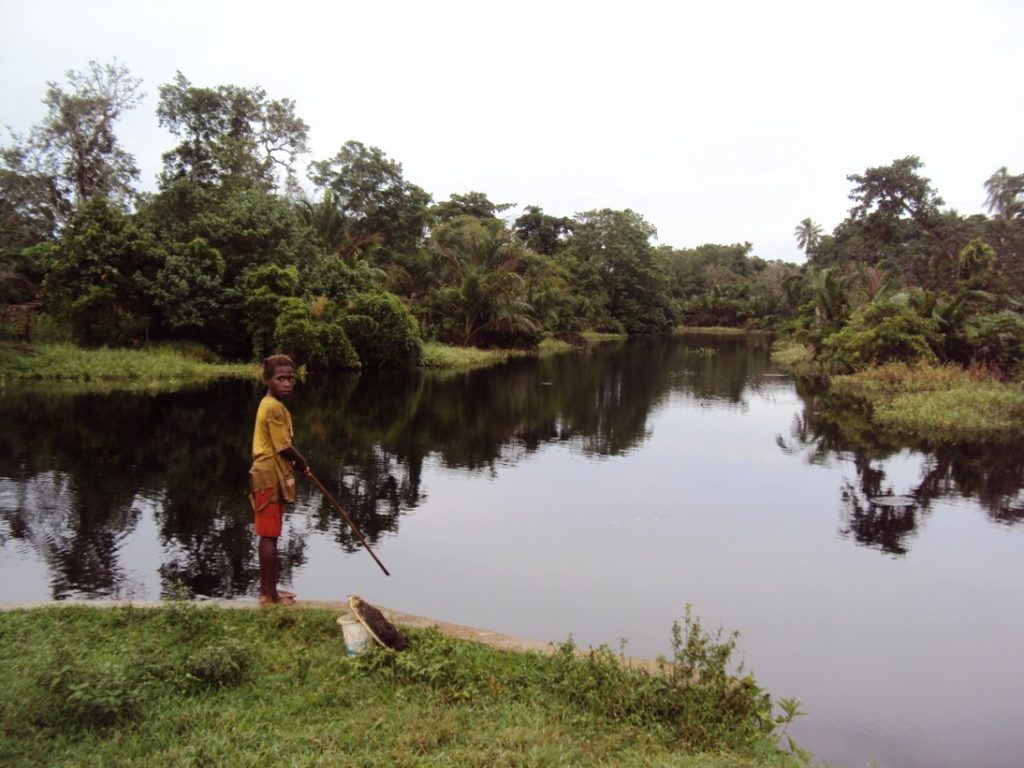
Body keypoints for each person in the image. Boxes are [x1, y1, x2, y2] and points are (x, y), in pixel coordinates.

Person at [249, 354, 309, 605]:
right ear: (267, 379)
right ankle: (268, 595)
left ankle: (270, 589)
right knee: (269, 535)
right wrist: (302, 462)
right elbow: (283, 446)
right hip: (267, 476)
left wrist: (296, 464)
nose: (286, 384)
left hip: (272, 472)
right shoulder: (273, 407)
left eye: (290, 379)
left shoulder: (271, 404)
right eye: (280, 379)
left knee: (270, 534)